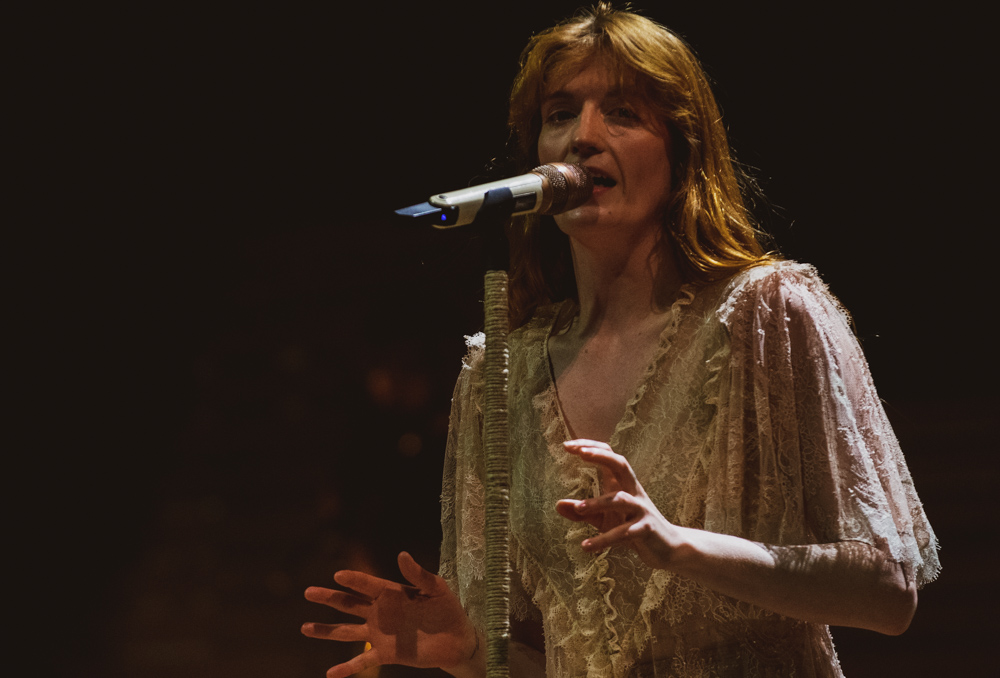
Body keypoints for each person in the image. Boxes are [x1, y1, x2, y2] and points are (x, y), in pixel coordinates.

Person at [301, 4, 940, 676]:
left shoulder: (768, 315)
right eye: (559, 114)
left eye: (623, 113)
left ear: (683, 151)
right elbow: (553, 659)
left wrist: (677, 546)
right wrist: (472, 654)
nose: (582, 137)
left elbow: (887, 595)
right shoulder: (500, 375)